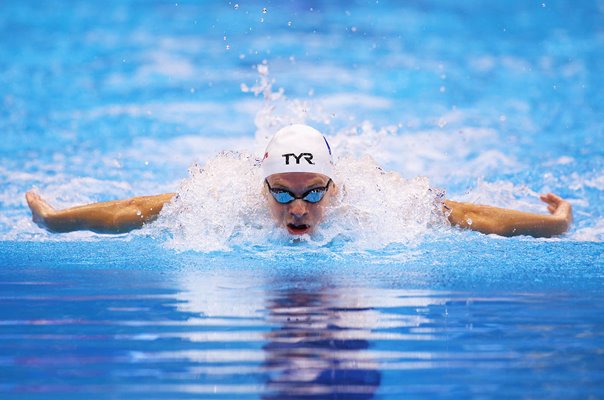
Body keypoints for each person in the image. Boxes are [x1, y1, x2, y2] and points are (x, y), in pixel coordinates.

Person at [25, 124, 573, 238]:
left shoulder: (376, 201)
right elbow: (137, 209)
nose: (298, 210)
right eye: (282, 193)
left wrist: (555, 224)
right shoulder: (226, 197)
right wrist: (55, 220)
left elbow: (471, 215)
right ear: (262, 186)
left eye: (313, 193)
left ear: (333, 187)